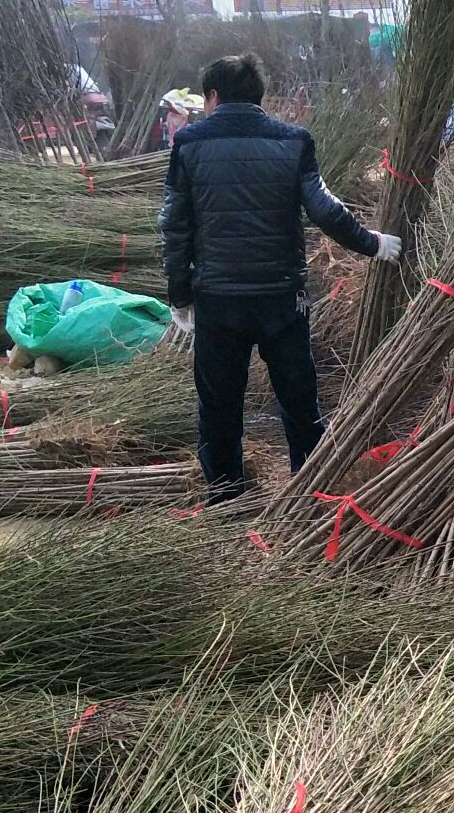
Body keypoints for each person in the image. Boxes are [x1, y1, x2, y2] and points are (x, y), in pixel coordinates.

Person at [159, 52, 401, 502]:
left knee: (219, 404)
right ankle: (311, 493)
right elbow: (326, 210)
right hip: (281, 301)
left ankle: (226, 498)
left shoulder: (189, 143)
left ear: (212, 96)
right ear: (258, 96)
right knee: (298, 400)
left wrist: (179, 295)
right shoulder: (293, 140)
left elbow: (175, 225)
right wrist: (373, 244)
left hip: (217, 299)